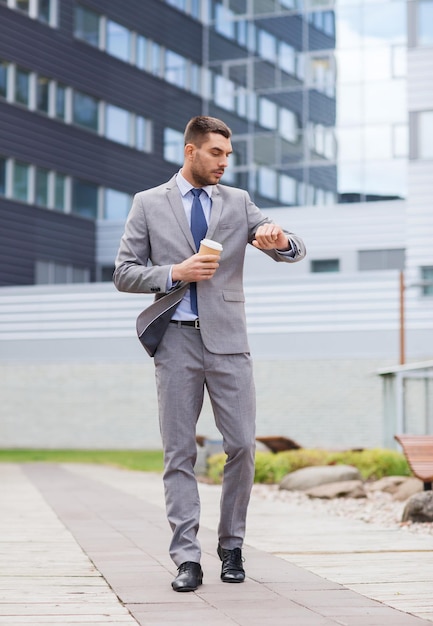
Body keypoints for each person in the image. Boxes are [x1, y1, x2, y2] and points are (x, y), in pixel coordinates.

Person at [113, 116, 306, 592]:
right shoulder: (147, 204)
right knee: (178, 452)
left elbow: (289, 246)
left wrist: (280, 241)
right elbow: (123, 272)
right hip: (176, 342)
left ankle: (231, 545)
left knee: (241, 444)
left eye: (228, 155)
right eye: (216, 153)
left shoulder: (238, 202)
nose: (224, 162)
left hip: (229, 343)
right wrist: (175, 271)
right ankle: (186, 558)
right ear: (191, 151)